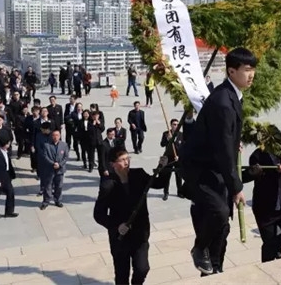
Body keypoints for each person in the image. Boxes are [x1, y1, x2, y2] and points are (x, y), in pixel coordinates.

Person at [179, 47, 257, 275]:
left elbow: (224, 138)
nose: (251, 75)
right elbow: (223, 150)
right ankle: (199, 248)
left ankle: (215, 267)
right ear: (231, 71)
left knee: (222, 226)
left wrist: (234, 143)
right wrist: (237, 187)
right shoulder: (223, 101)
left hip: (214, 167)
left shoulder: (232, 95)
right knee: (220, 212)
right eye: (247, 70)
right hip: (201, 169)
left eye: (253, 69)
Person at [93, 148, 168, 285]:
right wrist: (116, 226)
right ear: (112, 164)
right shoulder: (108, 185)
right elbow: (98, 214)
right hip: (120, 238)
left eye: (128, 159)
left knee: (142, 268)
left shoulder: (138, 174)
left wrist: (163, 167)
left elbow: (158, 183)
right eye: (122, 160)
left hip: (140, 233)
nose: (127, 162)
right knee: (122, 275)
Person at [245, 148, 281, 262]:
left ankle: (271, 248)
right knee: (269, 252)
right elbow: (248, 174)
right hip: (265, 208)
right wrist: (255, 172)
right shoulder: (257, 155)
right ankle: (269, 260)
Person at [0, 135, 18, 218]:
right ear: (5, 144)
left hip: (6, 176)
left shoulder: (6, 152)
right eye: (8, 143)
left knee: (10, 193)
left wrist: (12, 175)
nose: (9, 145)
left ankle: (9, 211)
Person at [40, 130, 69, 209]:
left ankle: (58, 200)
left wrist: (59, 164)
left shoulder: (64, 145)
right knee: (48, 186)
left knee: (59, 186)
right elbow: (45, 156)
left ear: (60, 136)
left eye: (57, 135)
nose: (55, 137)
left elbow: (66, 157)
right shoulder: (47, 145)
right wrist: (53, 163)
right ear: (51, 136)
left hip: (60, 169)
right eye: (54, 135)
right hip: (50, 169)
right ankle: (46, 201)